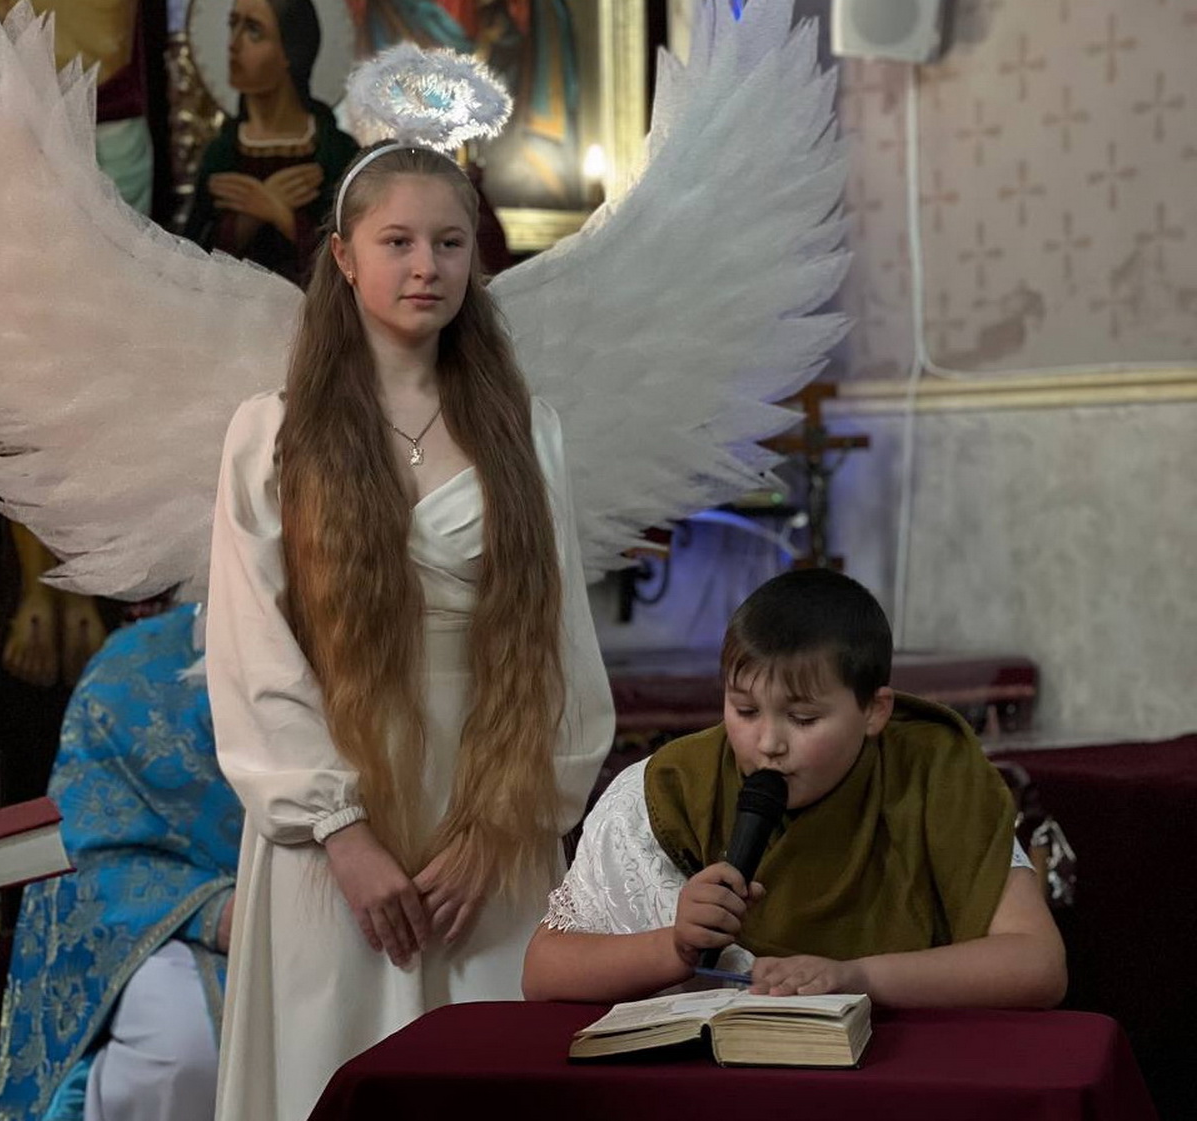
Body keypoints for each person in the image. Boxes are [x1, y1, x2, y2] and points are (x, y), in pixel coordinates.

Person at [204, 142, 615, 1121]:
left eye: (450, 243)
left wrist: (498, 829)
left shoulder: (526, 432)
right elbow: (252, 651)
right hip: (331, 831)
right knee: (333, 1066)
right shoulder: (272, 434)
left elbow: (561, 646)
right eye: (398, 242)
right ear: (344, 257)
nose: (427, 265)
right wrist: (341, 833)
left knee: (489, 1073)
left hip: (490, 816)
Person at [522, 569, 1067, 1010]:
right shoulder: (671, 788)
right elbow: (544, 972)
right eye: (745, 711)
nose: (768, 743)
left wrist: (856, 977)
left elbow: (1036, 964)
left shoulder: (934, 772)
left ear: (875, 710)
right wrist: (675, 946)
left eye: (803, 719)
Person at [0, 604, 241, 1121]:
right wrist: (213, 911)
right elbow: (89, 847)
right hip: (182, 925)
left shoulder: (393, 643)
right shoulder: (133, 668)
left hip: (354, 919)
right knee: (183, 1051)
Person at [183, 0, 358, 285]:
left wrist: (280, 214)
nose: (233, 44)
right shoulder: (222, 153)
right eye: (233, 25)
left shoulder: (335, 151)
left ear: (291, 50)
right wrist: (244, 223)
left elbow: (357, 256)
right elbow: (192, 260)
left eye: (253, 30)